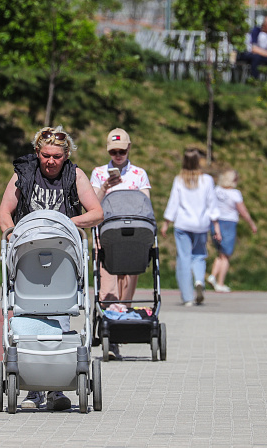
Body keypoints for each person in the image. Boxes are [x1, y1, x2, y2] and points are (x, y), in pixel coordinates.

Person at [0, 125, 103, 411]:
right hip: (28, 250)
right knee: (27, 311)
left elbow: (96, 212)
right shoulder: (23, 173)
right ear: (37, 152)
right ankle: (33, 389)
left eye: (57, 156)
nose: (51, 161)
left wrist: (66, 222)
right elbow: (4, 212)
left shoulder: (75, 175)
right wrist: (12, 235)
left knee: (60, 310)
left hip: (62, 252)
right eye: (45, 155)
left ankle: (56, 387)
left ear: (66, 155)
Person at [89, 128, 151, 359]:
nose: (117, 155)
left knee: (128, 286)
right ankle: (112, 336)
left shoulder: (138, 173)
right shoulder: (98, 172)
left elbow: (146, 203)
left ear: (129, 148)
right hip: (106, 235)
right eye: (113, 151)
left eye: (121, 151)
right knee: (108, 287)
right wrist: (105, 186)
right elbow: (92, 204)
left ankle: (123, 322)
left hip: (133, 234)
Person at [160, 148, 221, 307]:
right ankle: (199, 280)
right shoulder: (207, 180)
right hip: (201, 224)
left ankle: (187, 297)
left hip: (183, 224)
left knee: (184, 258)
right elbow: (212, 203)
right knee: (199, 255)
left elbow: (174, 202)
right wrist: (216, 225)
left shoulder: (179, 180)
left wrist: (166, 222)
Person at [206, 169, 257, 293]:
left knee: (220, 253)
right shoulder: (235, 194)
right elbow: (242, 211)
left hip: (216, 223)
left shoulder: (216, 191)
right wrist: (251, 223)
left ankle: (213, 276)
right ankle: (220, 282)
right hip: (229, 223)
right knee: (226, 256)